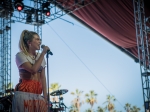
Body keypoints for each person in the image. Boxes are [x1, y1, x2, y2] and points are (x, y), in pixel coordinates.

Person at [12, 30, 49, 112]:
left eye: (40, 39)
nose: (40, 41)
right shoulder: (20, 55)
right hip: (24, 93)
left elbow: (43, 78)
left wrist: (45, 97)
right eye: (37, 39)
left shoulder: (40, 56)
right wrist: (43, 53)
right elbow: (33, 70)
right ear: (29, 42)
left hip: (37, 94)